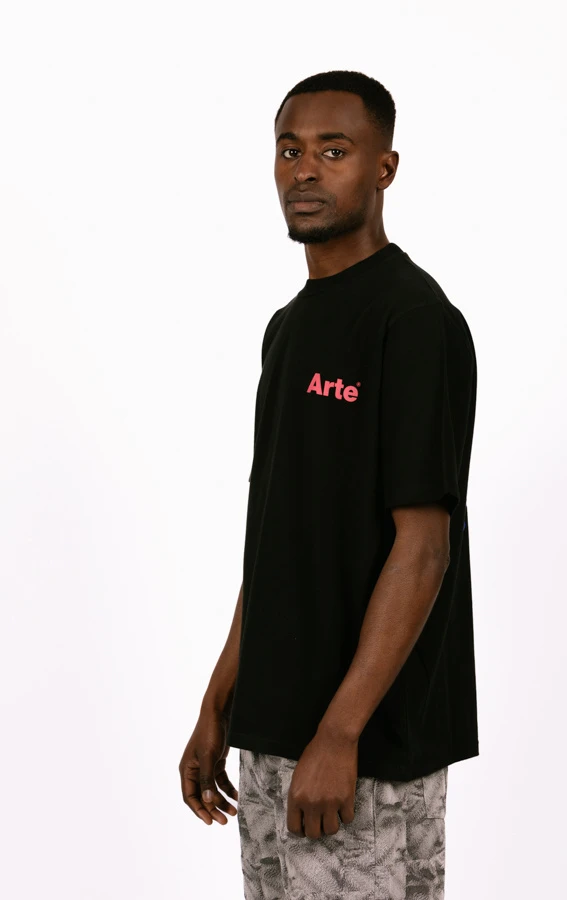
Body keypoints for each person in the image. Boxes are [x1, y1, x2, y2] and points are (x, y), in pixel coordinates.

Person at [179, 69, 479, 899]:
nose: (305, 169)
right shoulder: (288, 328)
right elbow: (278, 540)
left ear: (384, 168)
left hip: (362, 749)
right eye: (290, 150)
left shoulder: (413, 321)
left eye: (334, 151)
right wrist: (220, 702)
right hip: (273, 738)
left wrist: (340, 733)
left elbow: (423, 549)